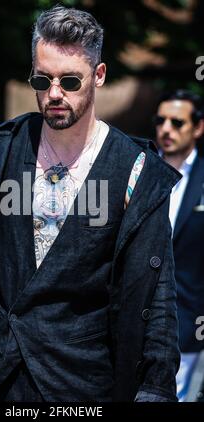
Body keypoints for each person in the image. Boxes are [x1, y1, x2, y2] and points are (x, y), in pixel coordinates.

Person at [0, 5, 181, 402]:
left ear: (99, 76)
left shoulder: (136, 172)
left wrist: (155, 389)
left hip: (78, 384)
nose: (54, 93)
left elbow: (157, 294)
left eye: (70, 81)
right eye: (42, 79)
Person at [154, 89, 204, 401]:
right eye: (160, 121)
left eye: (177, 122)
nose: (166, 129)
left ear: (198, 128)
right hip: (132, 325)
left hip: (187, 326)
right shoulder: (139, 171)